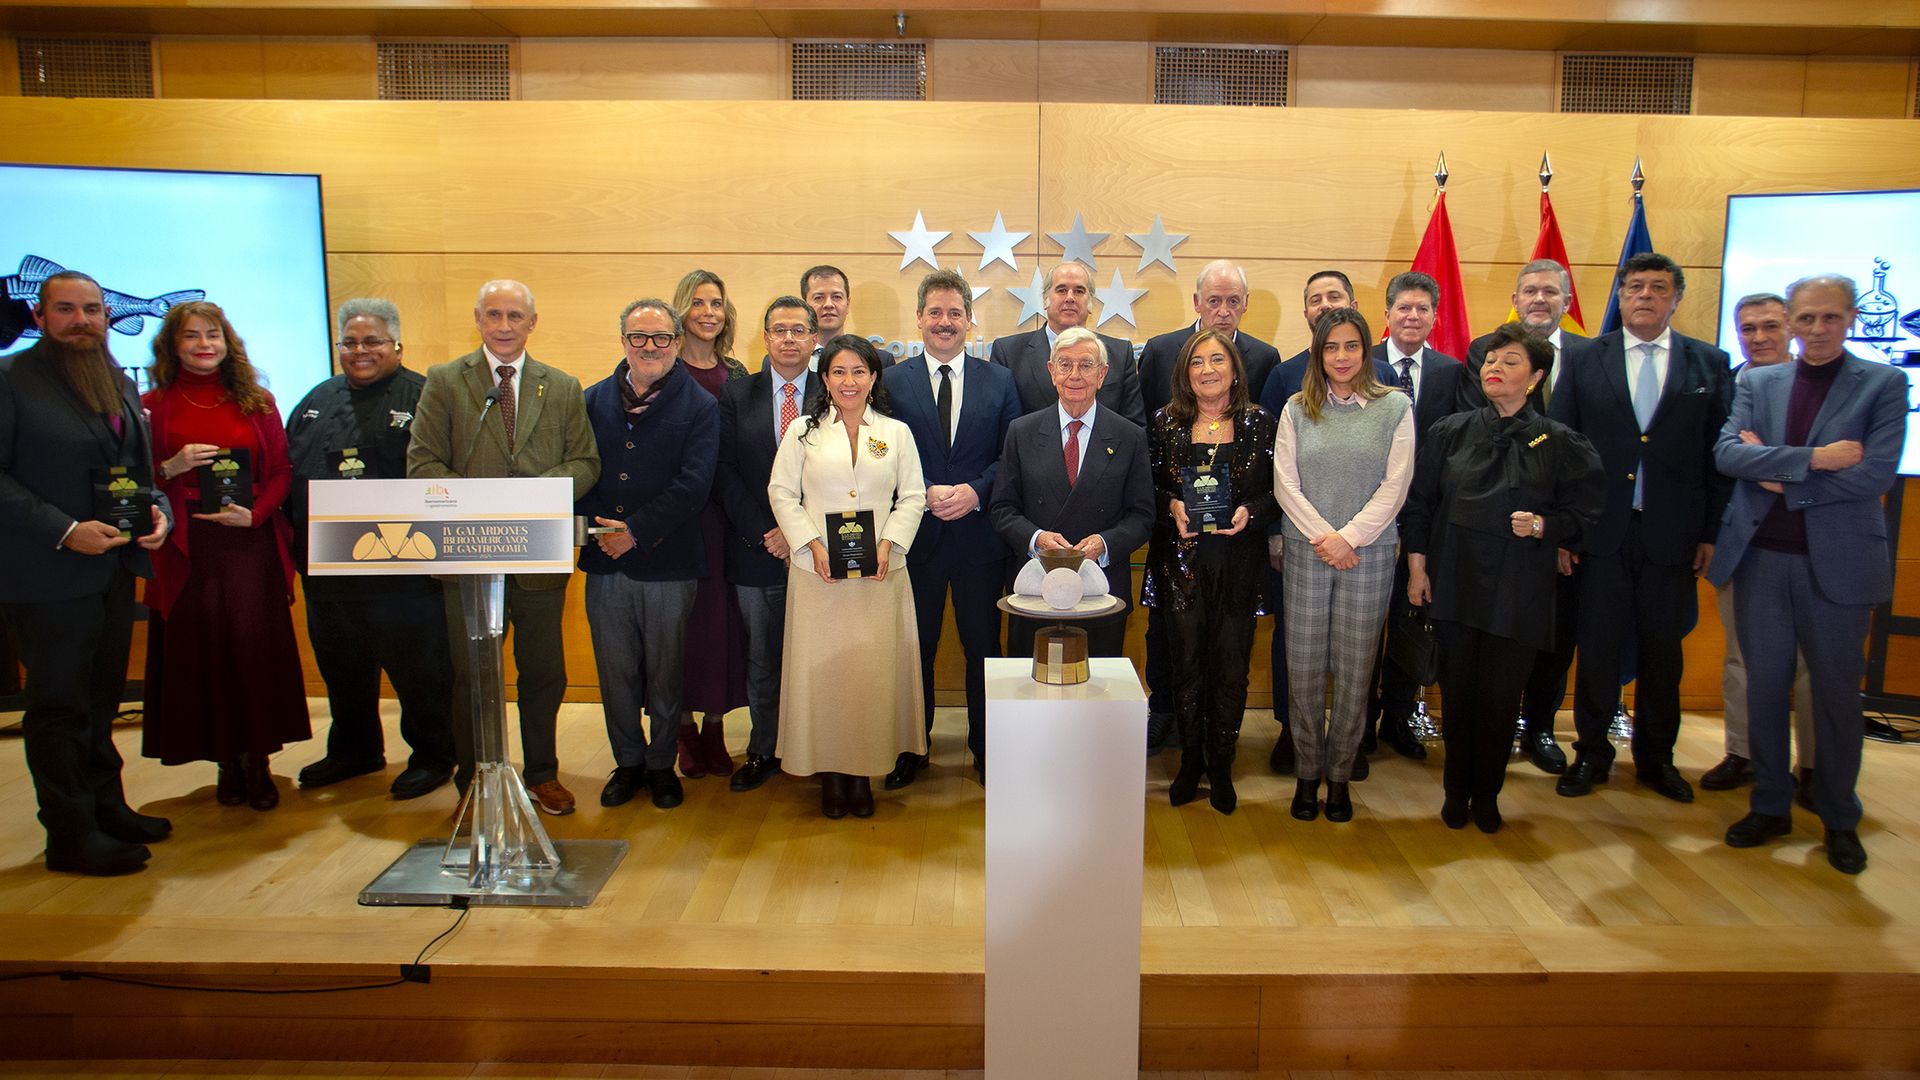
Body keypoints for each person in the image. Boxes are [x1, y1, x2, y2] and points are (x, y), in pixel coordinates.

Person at [1709, 274, 1908, 876]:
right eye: (1807, 318)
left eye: (1831, 317)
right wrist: (1816, 460)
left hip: (1839, 565)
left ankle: (1839, 817)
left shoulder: (1883, 382)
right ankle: (1770, 804)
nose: (1817, 329)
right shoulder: (1759, 381)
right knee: (1766, 688)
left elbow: (1874, 473)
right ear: (1792, 322)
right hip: (1761, 559)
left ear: (1851, 319)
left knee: (1836, 695)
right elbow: (1728, 454)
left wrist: (1777, 476)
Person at [0, 270, 173, 875]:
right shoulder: (10, 380)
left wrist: (158, 510)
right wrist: (64, 529)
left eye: (93, 310)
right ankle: (70, 834)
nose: (82, 321)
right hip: (45, 575)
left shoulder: (116, 379)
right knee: (58, 708)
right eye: (66, 309)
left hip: (113, 570)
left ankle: (106, 807)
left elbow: (134, 470)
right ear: (39, 317)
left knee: (101, 701)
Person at [406, 279, 600, 816]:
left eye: (515, 316)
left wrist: (531, 495)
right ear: (478, 319)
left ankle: (542, 774)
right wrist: (481, 503)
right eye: (494, 314)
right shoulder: (445, 381)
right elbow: (422, 463)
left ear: (532, 323)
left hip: (538, 551)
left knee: (543, 671)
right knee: (472, 673)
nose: (504, 325)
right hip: (467, 553)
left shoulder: (561, 386)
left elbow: (585, 462)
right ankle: (475, 779)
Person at [1403, 323, 1604, 833]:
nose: (1494, 368)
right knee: (1458, 696)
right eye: (1491, 360)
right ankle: (1455, 791)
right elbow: (1420, 505)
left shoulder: (1559, 442)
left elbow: (1587, 516)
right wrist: (1418, 568)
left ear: (1535, 378)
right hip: (1455, 581)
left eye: (1510, 361)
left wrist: (1543, 526)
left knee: (1499, 699)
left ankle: (1487, 794)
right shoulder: (1449, 432)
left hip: (1519, 591)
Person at [1549, 252, 1733, 803]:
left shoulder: (1709, 363)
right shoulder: (1587, 359)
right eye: (1635, 287)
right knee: (1598, 649)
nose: (1645, 296)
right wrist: (1565, 531)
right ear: (1621, 296)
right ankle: (1591, 755)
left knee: (1662, 653)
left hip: (1673, 536)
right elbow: (1562, 449)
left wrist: (1710, 533)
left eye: (1658, 287)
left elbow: (1718, 459)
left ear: (1677, 298)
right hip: (1601, 533)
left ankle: (1656, 759)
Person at [141, 301, 309, 811]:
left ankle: (258, 760)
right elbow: (136, 479)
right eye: (191, 336)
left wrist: (254, 515)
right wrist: (170, 466)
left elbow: (281, 472)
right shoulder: (151, 404)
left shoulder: (258, 401)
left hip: (247, 544)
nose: (203, 345)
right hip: (186, 546)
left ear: (227, 341)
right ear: (172, 346)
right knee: (203, 652)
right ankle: (224, 761)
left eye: (212, 334)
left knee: (252, 649)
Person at [286, 298, 456, 800]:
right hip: (328, 572)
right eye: (350, 342)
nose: (360, 351)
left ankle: (433, 755)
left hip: (404, 572)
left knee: (419, 673)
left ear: (397, 346)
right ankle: (354, 750)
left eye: (373, 341)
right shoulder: (315, 401)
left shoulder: (423, 397)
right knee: (342, 669)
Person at [768, 335, 928, 819]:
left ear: (874, 377)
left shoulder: (895, 433)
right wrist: (811, 543)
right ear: (825, 379)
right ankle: (831, 777)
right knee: (826, 680)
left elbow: (913, 496)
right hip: (819, 579)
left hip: (880, 577)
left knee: (868, 681)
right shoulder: (802, 432)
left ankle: (862, 775)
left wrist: (889, 542)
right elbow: (781, 492)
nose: (849, 381)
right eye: (839, 371)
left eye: (859, 371)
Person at [881, 269, 1021, 788]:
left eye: (955, 313)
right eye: (935, 312)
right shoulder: (892, 381)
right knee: (913, 649)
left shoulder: (999, 380)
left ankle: (987, 747)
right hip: (914, 540)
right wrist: (923, 491)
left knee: (983, 649)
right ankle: (911, 748)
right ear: (919, 318)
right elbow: (880, 450)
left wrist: (976, 491)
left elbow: (1012, 454)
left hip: (979, 539)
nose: (945, 322)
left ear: (970, 320)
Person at [1273, 308, 1412, 824]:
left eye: (1351, 346)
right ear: (1318, 353)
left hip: (1367, 555)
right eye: (1331, 347)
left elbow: (1396, 485)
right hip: (1308, 551)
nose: (1341, 356)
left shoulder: (1395, 407)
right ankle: (1307, 774)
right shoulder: (1296, 407)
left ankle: (1340, 776)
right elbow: (1285, 483)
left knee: (1356, 671)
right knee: (1304, 668)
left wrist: (1349, 538)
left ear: (1366, 350)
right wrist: (1325, 538)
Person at [577, 298, 717, 812]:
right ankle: (628, 762)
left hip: (668, 562)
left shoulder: (700, 406)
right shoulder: (591, 400)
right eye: (638, 337)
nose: (650, 346)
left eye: (661, 337)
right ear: (623, 341)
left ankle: (660, 765)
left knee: (665, 671)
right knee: (614, 672)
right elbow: (579, 471)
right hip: (605, 561)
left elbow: (694, 485)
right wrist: (602, 532)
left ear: (677, 343)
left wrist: (635, 531)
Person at [1136, 260, 1280, 754]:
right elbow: (1146, 476)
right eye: (1213, 300)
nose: (1208, 370)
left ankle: (1219, 752)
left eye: (1233, 300)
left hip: (1237, 555)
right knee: (1172, 651)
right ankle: (1173, 726)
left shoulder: (1261, 403)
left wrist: (1250, 514)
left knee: (1230, 659)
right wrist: (1171, 505)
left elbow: (1275, 486)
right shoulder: (1162, 390)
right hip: (1178, 554)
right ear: (1196, 302)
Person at [1464, 259, 1591, 774]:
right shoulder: (1483, 352)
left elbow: (1587, 454)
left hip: (1555, 531)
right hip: (1489, 529)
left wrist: (1557, 530)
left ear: (1567, 300)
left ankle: (1539, 726)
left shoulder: (1590, 356)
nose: (1539, 299)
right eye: (1530, 291)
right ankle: (1486, 732)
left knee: (1553, 638)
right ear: (1515, 299)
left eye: (1550, 291)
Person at [1257, 269, 1373, 776]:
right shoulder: (1284, 377)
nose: (1324, 305)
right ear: (1305, 311)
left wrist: (1354, 535)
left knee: (1358, 645)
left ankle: (1353, 739)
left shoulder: (1383, 387)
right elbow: (1271, 465)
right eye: (1315, 299)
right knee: (1295, 641)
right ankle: (1293, 731)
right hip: (1298, 539)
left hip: (1365, 542)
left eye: (1334, 296)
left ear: (1353, 305)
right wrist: (1276, 534)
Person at [1701, 292, 1816, 796]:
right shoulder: (1725, 386)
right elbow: (1722, 457)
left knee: (1812, 662)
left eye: (1770, 326)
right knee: (1741, 656)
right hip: (1742, 540)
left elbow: (1837, 462)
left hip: (1815, 541)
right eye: (1748, 329)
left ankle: (1813, 766)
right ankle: (1743, 753)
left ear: (1790, 326)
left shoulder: (1821, 385)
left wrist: (1766, 461)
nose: (1760, 337)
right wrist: (1799, 463)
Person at [990, 326, 1154, 659]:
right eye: (1065, 364)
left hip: (1101, 588)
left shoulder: (1129, 436)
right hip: (1036, 584)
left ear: (1102, 374)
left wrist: (1103, 544)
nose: (1075, 375)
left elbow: (1142, 515)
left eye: (1086, 365)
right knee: (1032, 683)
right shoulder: (1021, 432)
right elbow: (1002, 508)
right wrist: (1037, 539)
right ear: (1052, 372)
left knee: (1096, 685)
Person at [714, 298, 820, 794]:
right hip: (759, 548)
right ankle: (765, 749)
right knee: (763, 658)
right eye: (779, 330)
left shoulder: (835, 389)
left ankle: (820, 748)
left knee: (819, 655)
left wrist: (800, 532)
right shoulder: (738, 394)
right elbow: (725, 472)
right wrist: (768, 531)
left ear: (814, 339)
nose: (789, 339)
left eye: (799, 330)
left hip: (820, 552)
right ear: (765, 337)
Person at [1366, 270, 1467, 765]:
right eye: (1403, 307)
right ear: (1386, 314)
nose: (1412, 316)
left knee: (1410, 621)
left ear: (1435, 317)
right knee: (1365, 626)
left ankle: (1399, 719)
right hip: (1367, 517)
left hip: (1425, 516)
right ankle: (1360, 722)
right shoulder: (1360, 362)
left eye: (1422, 308)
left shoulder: (1453, 372)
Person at [670, 269, 750, 781]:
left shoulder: (737, 372)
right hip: (680, 519)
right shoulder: (663, 367)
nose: (707, 312)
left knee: (722, 625)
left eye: (716, 303)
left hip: (726, 519)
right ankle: (682, 729)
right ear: (682, 310)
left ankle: (716, 727)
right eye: (698, 303)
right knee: (681, 627)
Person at [989, 262, 1145, 426]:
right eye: (1061, 290)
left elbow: (1134, 428)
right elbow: (1001, 427)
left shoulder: (1120, 354)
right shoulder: (1008, 354)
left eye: (1079, 291)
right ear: (1045, 300)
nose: (1070, 298)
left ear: (1090, 302)